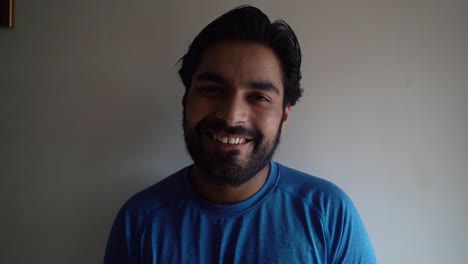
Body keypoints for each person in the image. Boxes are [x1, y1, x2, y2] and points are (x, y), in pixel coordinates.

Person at [104, 5, 377, 264]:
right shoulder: (139, 221)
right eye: (212, 90)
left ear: (284, 114)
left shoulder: (328, 214)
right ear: (186, 99)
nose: (232, 116)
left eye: (258, 97)